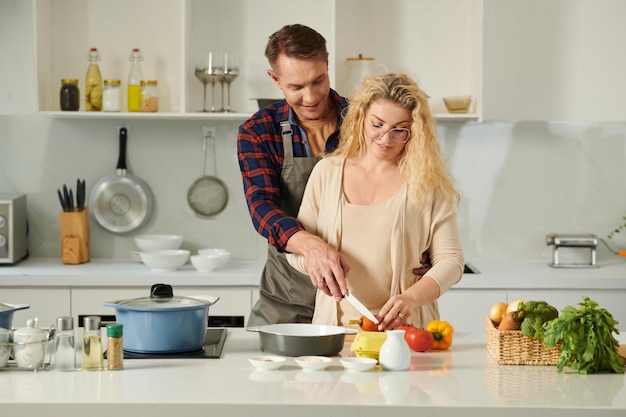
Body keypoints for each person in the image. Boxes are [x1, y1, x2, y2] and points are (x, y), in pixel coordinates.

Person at [286, 73, 464, 330]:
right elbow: (297, 249)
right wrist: (315, 265)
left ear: (414, 131)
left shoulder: (427, 183)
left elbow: (451, 261)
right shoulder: (327, 172)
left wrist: (411, 299)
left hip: (407, 332)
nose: (385, 138)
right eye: (377, 125)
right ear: (361, 119)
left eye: (399, 130)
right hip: (335, 331)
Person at [237, 24, 350, 326]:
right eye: (296, 88)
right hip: (287, 302)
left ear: (327, 62)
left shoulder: (365, 123)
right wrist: (312, 246)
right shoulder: (259, 131)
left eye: (318, 80)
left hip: (355, 298)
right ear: (275, 79)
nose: (311, 97)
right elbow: (262, 207)